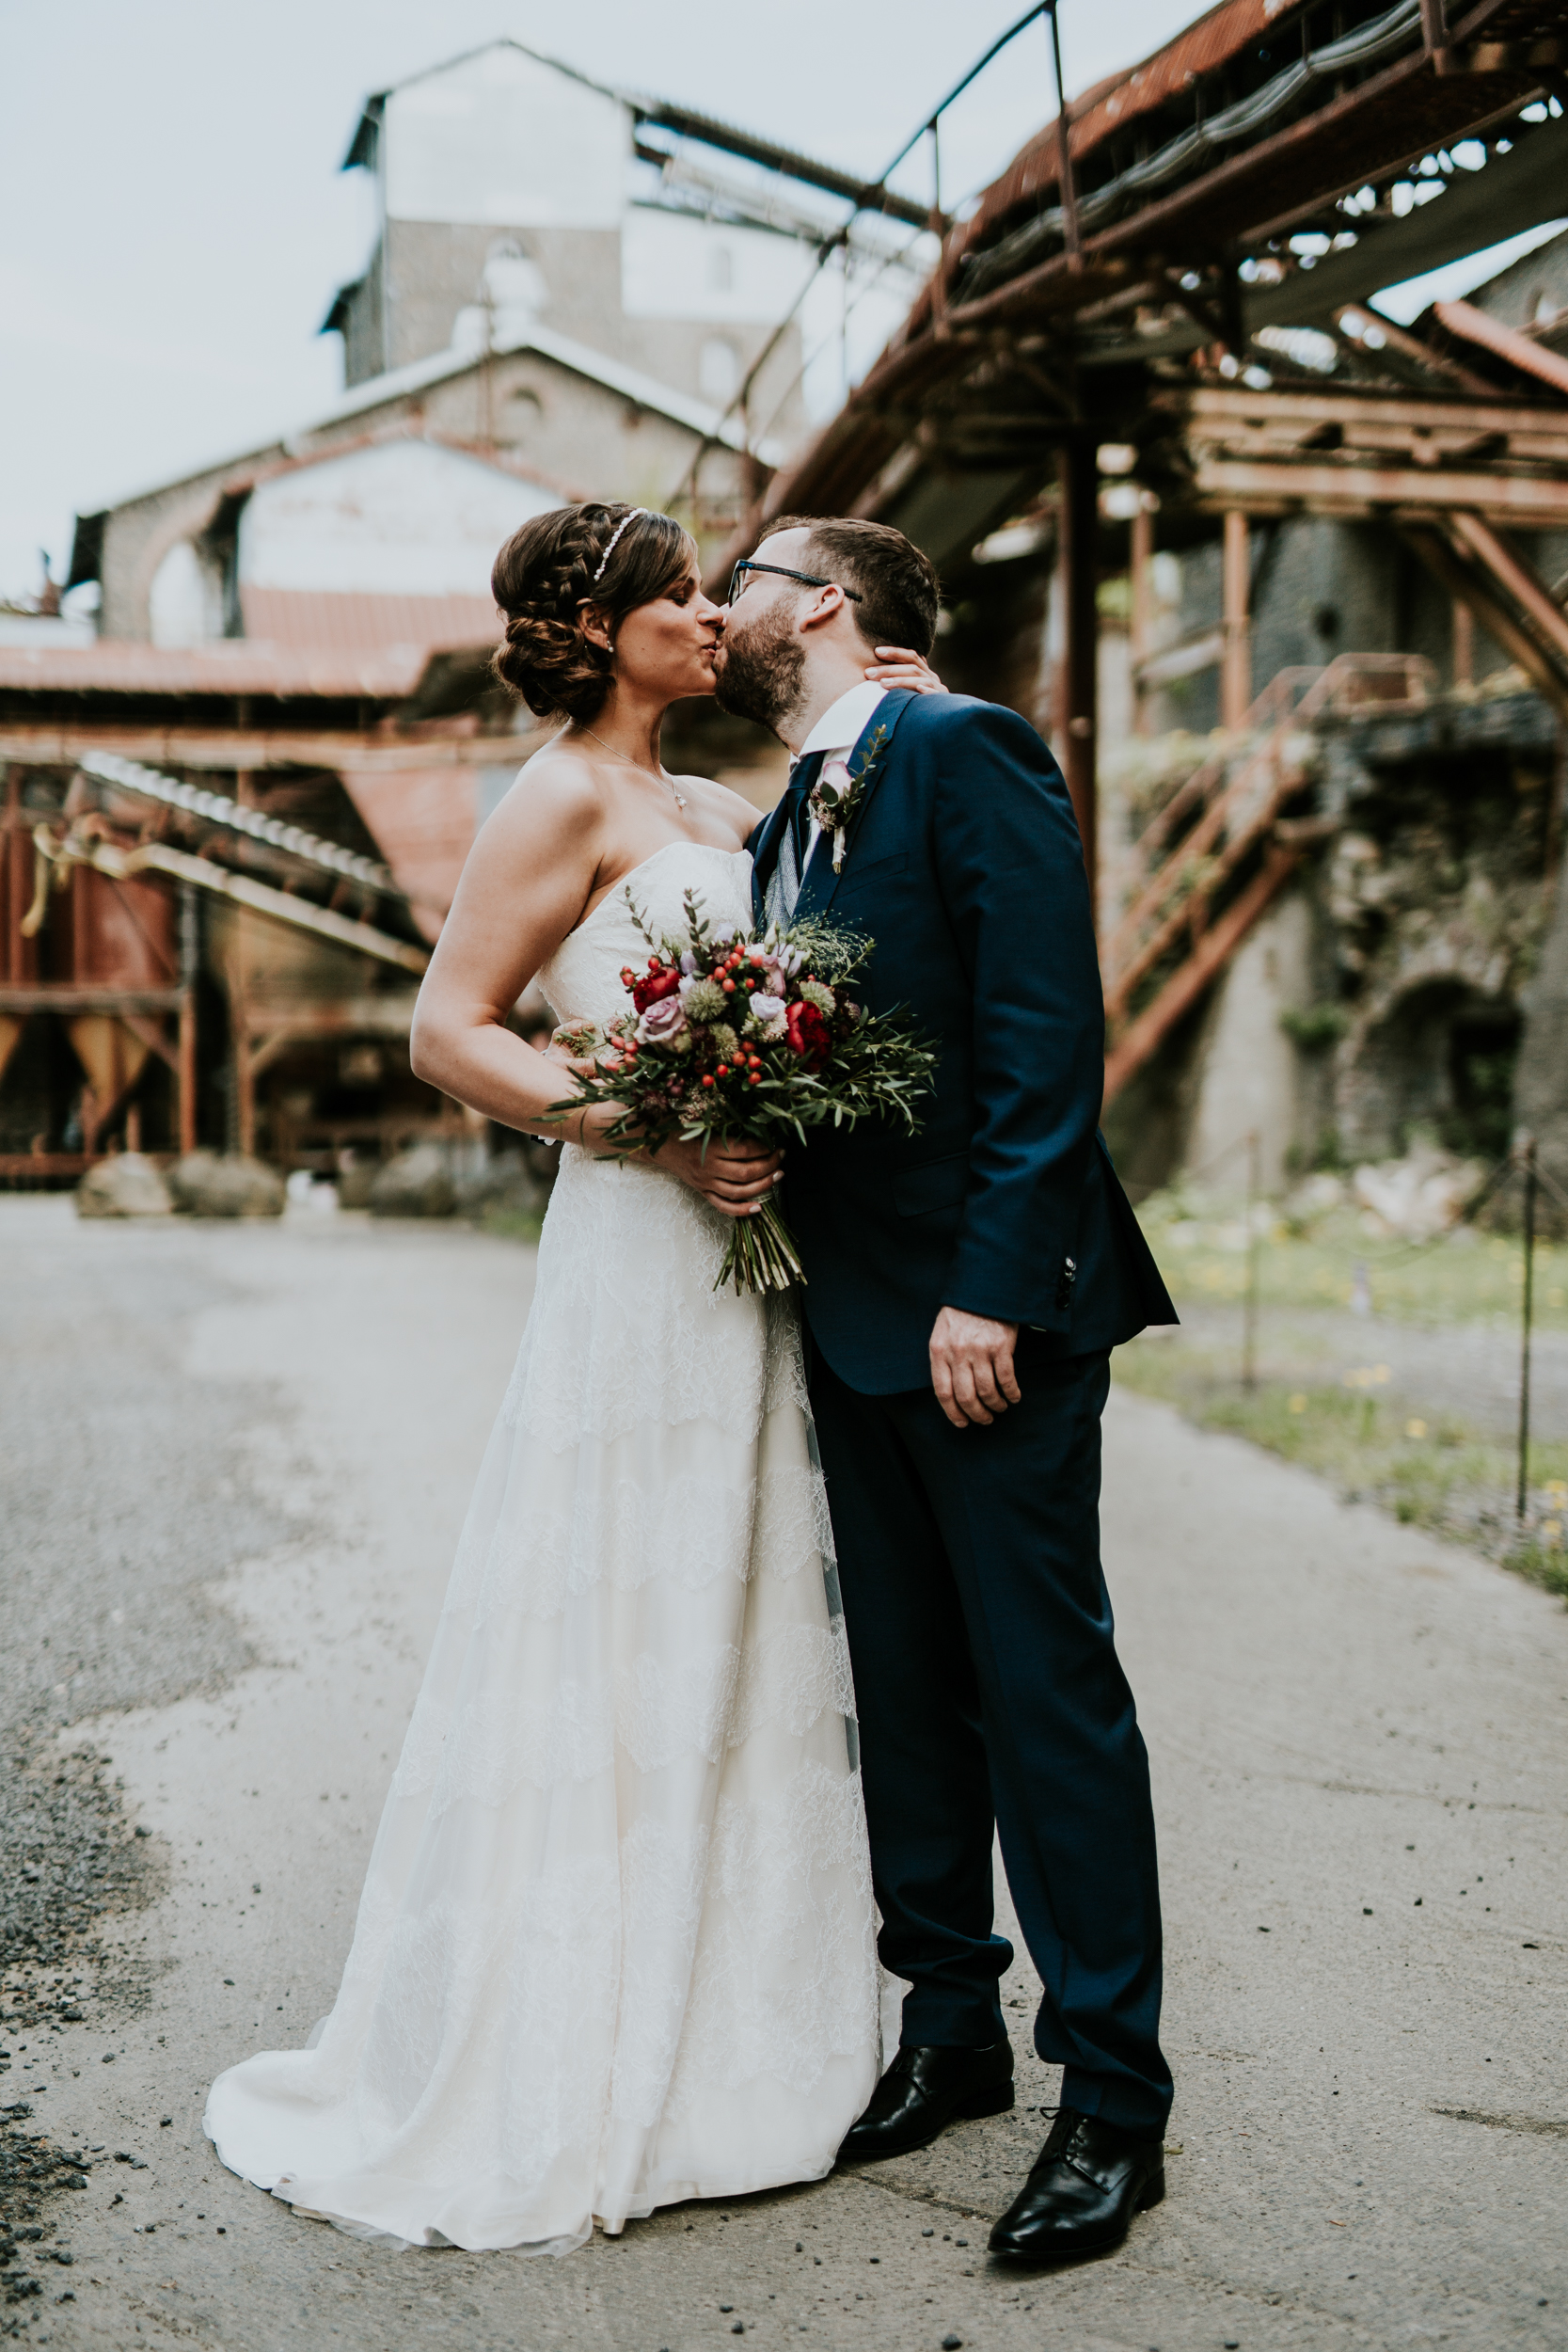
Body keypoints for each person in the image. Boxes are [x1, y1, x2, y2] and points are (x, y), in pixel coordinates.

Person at [202, 501, 944, 2254]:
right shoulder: (557, 799)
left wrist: (897, 719)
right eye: (679, 592)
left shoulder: (720, 808)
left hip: (756, 1260)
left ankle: (746, 2020)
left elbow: (844, 885)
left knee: (743, 1595)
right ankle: (584, 2037)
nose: (708, 611)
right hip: (642, 1249)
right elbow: (448, 1030)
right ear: (606, 630)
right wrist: (653, 1133)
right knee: (627, 1599)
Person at [716, 514, 1180, 2265]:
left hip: (987, 1323)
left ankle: (1113, 2099)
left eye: (743, 585)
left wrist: (993, 1284)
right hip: (847, 1317)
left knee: (1044, 1693)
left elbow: (1044, 1030)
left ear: (822, 604)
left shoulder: (964, 747)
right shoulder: (787, 815)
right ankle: (951, 2028)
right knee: (906, 1693)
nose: (718, 610)